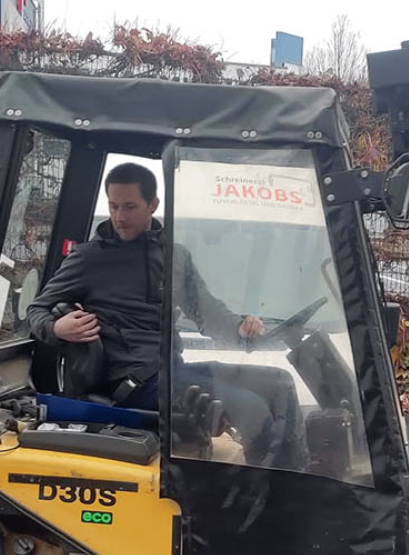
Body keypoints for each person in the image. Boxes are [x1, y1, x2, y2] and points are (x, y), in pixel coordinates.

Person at [27, 162, 305, 469]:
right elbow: (36, 310)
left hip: (174, 372)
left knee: (280, 384)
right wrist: (57, 328)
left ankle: (294, 485)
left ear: (152, 205)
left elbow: (208, 314)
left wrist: (242, 326)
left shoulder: (175, 256)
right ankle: (260, 499)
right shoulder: (88, 259)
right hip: (134, 382)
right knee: (251, 408)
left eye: (130, 207)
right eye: (114, 206)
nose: (120, 217)